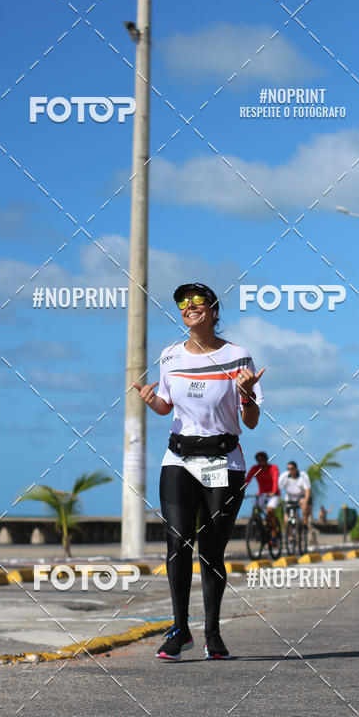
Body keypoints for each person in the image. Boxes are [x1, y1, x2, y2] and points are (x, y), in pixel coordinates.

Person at [133, 283, 264, 661]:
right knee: (177, 544)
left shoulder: (239, 357)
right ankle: (179, 630)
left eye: (197, 301)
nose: (189, 307)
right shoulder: (170, 356)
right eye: (182, 303)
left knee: (211, 551)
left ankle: (212, 632)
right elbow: (166, 407)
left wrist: (247, 394)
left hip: (224, 462)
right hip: (178, 460)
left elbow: (251, 421)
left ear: (213, 309)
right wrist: (151, 400)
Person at [245, 451, 281, 546]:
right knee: (255, 510)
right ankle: (259, 530)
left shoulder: (273, 468)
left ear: (266, 460)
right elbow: (247, 480)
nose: (261, 462)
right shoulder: (255, 469)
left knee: (269, 511)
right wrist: (240, 490)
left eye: (262, 460)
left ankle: (274, 537)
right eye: (258, 460)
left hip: (274, 494)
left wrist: (273, 491)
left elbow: (275, 480)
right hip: (262, 494)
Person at [278, 461, 312, 535]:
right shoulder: (284, 476)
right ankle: (290, 537)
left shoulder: (303, 475)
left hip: (301, 497)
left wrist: (305, 501)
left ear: (296, 468)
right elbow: (278, 489)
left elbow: (307, 490)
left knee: (305, 506)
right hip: (289, 499)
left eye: (292, 468)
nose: (290, 470)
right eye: (288, 469)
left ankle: (305, 525)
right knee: (287, 519)